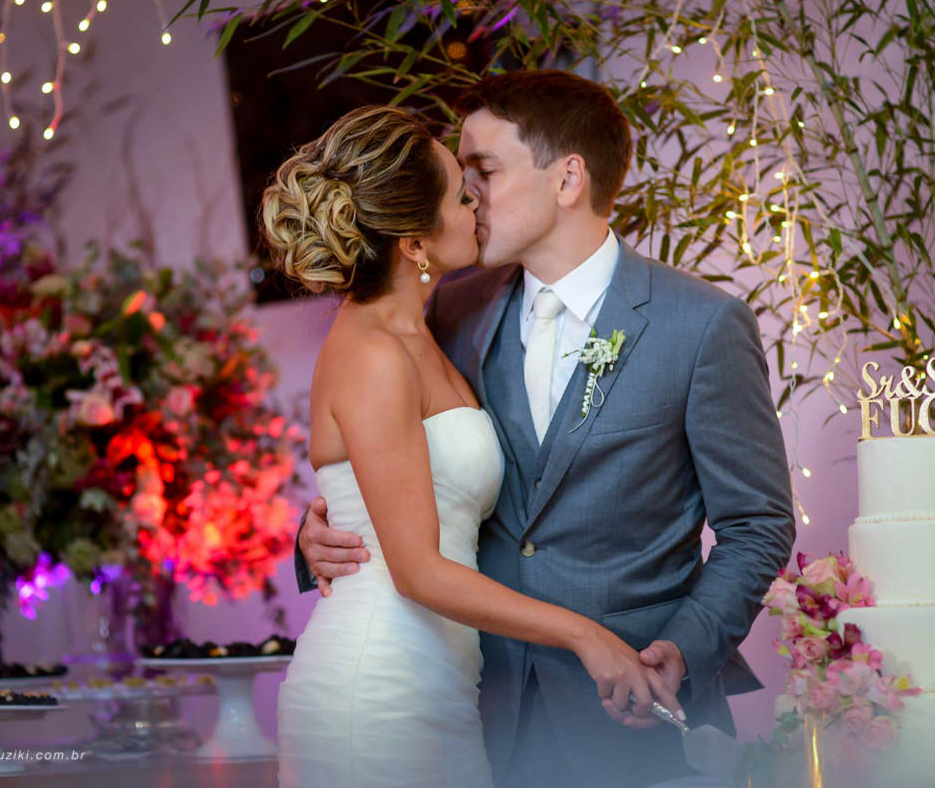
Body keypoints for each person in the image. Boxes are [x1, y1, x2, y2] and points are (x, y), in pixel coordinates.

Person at [297, 70, 796, 788]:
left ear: (567, 180)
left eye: (485, 171)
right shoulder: (449, 313)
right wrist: (319, 533)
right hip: (483, 707)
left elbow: (756, 524)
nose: (467, 195)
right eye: (461, 177)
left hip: (631, 717)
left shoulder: (702, 326)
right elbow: (381, 458)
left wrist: (681, 652)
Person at [264, 104, 680, 788]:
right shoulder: (372, 352)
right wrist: (585, 634)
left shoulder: (441, 326)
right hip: (378, 696)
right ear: (413, 243)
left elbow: (400, 485)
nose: (477, 202)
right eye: (462, 192)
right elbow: (416, 570)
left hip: (446, 689)